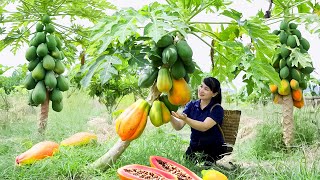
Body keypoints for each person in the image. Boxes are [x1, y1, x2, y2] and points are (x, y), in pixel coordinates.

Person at [170, 77, 226, 165]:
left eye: (206, 89)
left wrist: (186, 119)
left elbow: (204, 126)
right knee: (188, 164)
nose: (201, 90)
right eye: (201, 86)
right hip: (195, 146)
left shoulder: (217, 109)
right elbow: (179, 126)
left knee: (205, 167)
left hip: (214, 148)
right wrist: (169, 116)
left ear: (214, 94)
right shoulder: (191, 105)